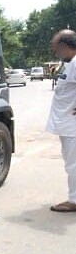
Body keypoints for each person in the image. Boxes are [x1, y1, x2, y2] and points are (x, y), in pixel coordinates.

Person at [46, 29, 76, 212]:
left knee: (73, 163)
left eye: (56, 48)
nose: (55, 51)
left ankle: (74, 200)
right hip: (67, 124)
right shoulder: (70, 63)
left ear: (65, 46)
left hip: (73, 126)